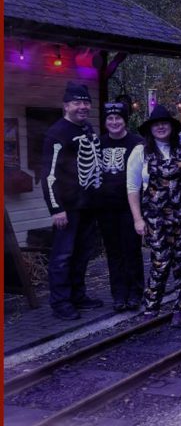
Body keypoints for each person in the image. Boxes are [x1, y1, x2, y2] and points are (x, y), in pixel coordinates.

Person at [42, 82, 103, 320]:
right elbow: (49, 175)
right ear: (66, 105)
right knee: (62, 256)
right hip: (67, 209)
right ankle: (60, 303)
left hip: (87, 206)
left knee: (82, 254)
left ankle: (78, 296)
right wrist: (56, 208)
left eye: (86, 102)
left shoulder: (87, 129)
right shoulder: (57, 133)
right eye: (77, 102)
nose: (83, 106)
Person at [127, 105, 181, 326]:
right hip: (155, 218)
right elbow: (132, 187)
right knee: (160, 261)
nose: (161, 127)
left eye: (165, 123)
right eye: (156, 124)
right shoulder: (140, 152)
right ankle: (151, 306)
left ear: (172, 127)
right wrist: (138, 219)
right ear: (150, 129)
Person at [98, 101, 144, 312]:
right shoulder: (98, 144)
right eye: (110, 119)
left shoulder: (138, 143)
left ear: (125, 121)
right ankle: (118, 295)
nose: (114, 122)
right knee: (113, 252)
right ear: (105, 121)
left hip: (130, 208)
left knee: (131, 250)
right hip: (106, 208)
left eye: (118, 118)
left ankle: (136, 292)